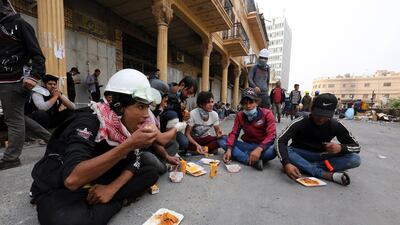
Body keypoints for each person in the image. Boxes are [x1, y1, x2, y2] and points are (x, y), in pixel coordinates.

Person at [30, 69, 160, 225]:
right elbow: (72, 179)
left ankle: (105, 199)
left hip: (98, 176)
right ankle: (117, 202)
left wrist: (111, 189)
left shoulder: (122, 126)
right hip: (66, 182)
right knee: (64, 220)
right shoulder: (88, 121)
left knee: (151, 171)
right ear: (116, 104)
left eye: (147, 107)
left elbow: (134, 159)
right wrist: (129, 145)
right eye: (140, 107)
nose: (146, 115)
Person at [276, 93, 361, 186]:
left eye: (326, 116)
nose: (321, 119)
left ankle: (303, 167)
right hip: (300, 154)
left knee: (355, 159)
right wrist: (286, 163)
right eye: (318, 114)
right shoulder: (301, 121)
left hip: (322, 157)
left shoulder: (336, 125)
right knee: (284, 149)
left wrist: (341, 148)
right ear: (311, 109)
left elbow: (356, 147)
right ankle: (323, 174)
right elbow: (280, 140)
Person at [0, 0, 46, 170]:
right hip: (4, 80)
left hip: (14, 81)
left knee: (13, 119)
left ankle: (11, 158)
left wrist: (34, 75)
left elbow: (38, 55)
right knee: (17, 117)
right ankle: (51, 138)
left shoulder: (20, 25)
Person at [220, 88, 276, 171]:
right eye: (245, 103)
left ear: (257, 102)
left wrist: (259, 149)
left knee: (273, 151)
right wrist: (229, 149)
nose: (248, 106)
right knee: (222, 139)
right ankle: (250, 160)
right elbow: (234, 133)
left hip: (263, 146)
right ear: (242, 105)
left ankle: (240, 155)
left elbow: (272, 136)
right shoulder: (240, 115)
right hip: (247, 145)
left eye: (251, 102)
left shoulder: (267, 114)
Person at [160, 76, 197, 151]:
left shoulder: (182, 99)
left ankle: (171, 144)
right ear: (182, 85)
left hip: (173, 127)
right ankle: (170, 146)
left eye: (190, 94)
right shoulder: (166, 91)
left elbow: (178, 118)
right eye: (188, 92)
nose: (188, 96)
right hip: (161, 124)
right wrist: (178, 109)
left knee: (184, 143)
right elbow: (166, 111)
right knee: (172, 115)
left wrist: (184, 117)